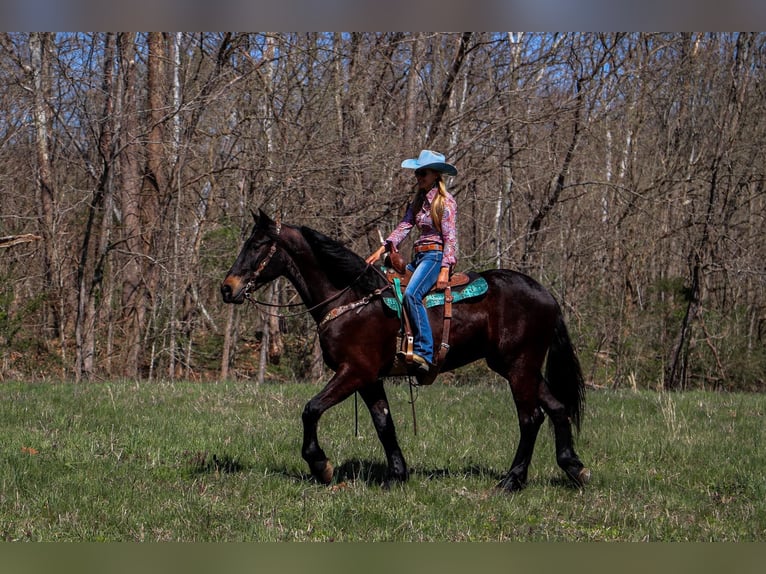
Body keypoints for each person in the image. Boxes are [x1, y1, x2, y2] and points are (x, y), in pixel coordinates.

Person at [366, 149, 458, 373]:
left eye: (423, 173)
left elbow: (450, 237)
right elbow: (404, 227)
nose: (419, 177)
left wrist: (445, 268)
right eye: (417, 173)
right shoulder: (418, 202)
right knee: (389, 285)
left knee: (412, 294)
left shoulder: (445, 203)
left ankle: (425, 353)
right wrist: (382, 249)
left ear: (436, 174)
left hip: (435, 257)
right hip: (419, 257)